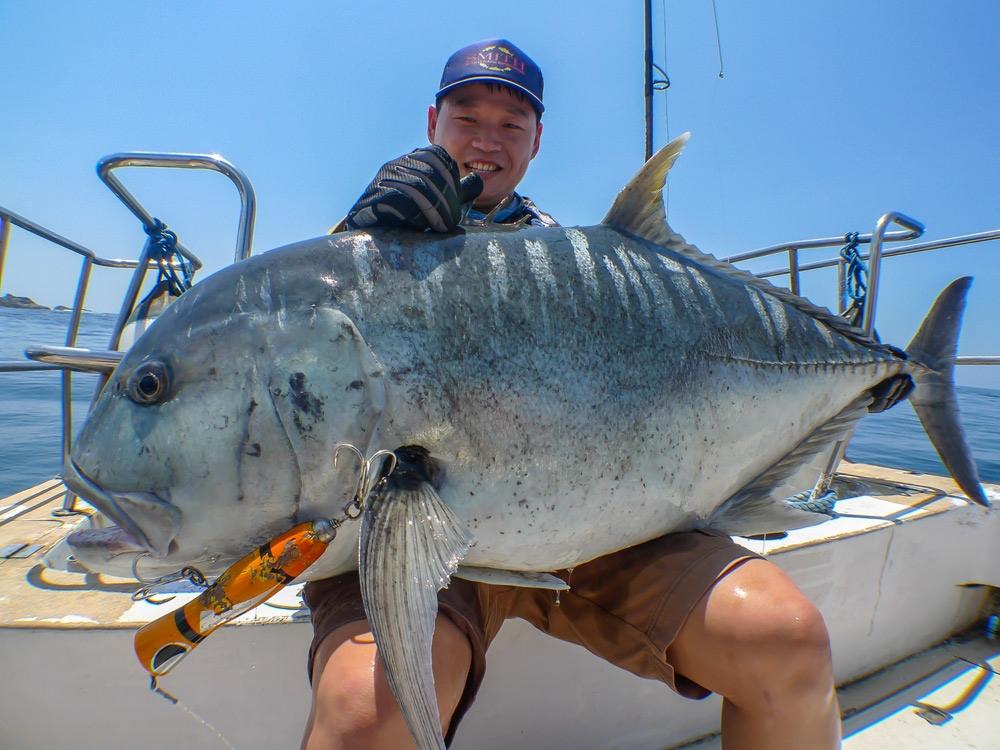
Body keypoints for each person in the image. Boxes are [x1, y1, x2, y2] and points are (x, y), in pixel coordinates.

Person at [301, 39, 841, 750]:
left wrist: (856, 381)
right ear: (433, 121)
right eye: (468, 117)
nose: (485, 141)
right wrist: (367, 235)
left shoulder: (569, 260)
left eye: (510, 124)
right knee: (368, 710)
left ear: (537, 140)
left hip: (600, 523)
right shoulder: (363, 247)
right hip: (417, 539)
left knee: (787, 643)